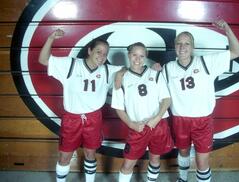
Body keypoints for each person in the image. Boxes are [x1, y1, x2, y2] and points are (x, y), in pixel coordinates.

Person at [38, 29, 123, 182]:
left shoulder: (107, 70)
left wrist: (123, 74)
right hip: (72, 119)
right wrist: (51, 38)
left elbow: (127, 70)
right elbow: (43, 60)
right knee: (65, 156)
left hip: (94, 118)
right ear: (89, 50)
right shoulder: (71, 64)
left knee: (91, 154)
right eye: (99, 52)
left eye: (105, 54)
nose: (102, 57)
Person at [162, 19, 239, 182]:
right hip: (179, 119)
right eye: (179, 43)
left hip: (202, 121)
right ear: (175, 46)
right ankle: (183, 178)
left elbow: (237, 52)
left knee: (201, 160)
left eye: (187, 43)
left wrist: (227, 28)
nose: (182, 47)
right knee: (183, 153)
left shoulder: (206, 62)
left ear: (193, 47)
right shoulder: (168, 68)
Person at [111, 42, 174, 182]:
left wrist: (157, 118)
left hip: (158, 124)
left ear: (146, 57)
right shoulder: (121, 78)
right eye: (134, 55)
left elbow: (166, 99)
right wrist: (132, 125)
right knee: (128, 163)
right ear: (129, 55)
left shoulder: (155, 74)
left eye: (141, 55)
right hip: (137, 127)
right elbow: (118, 108)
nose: (137, 59)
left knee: (155, 157)